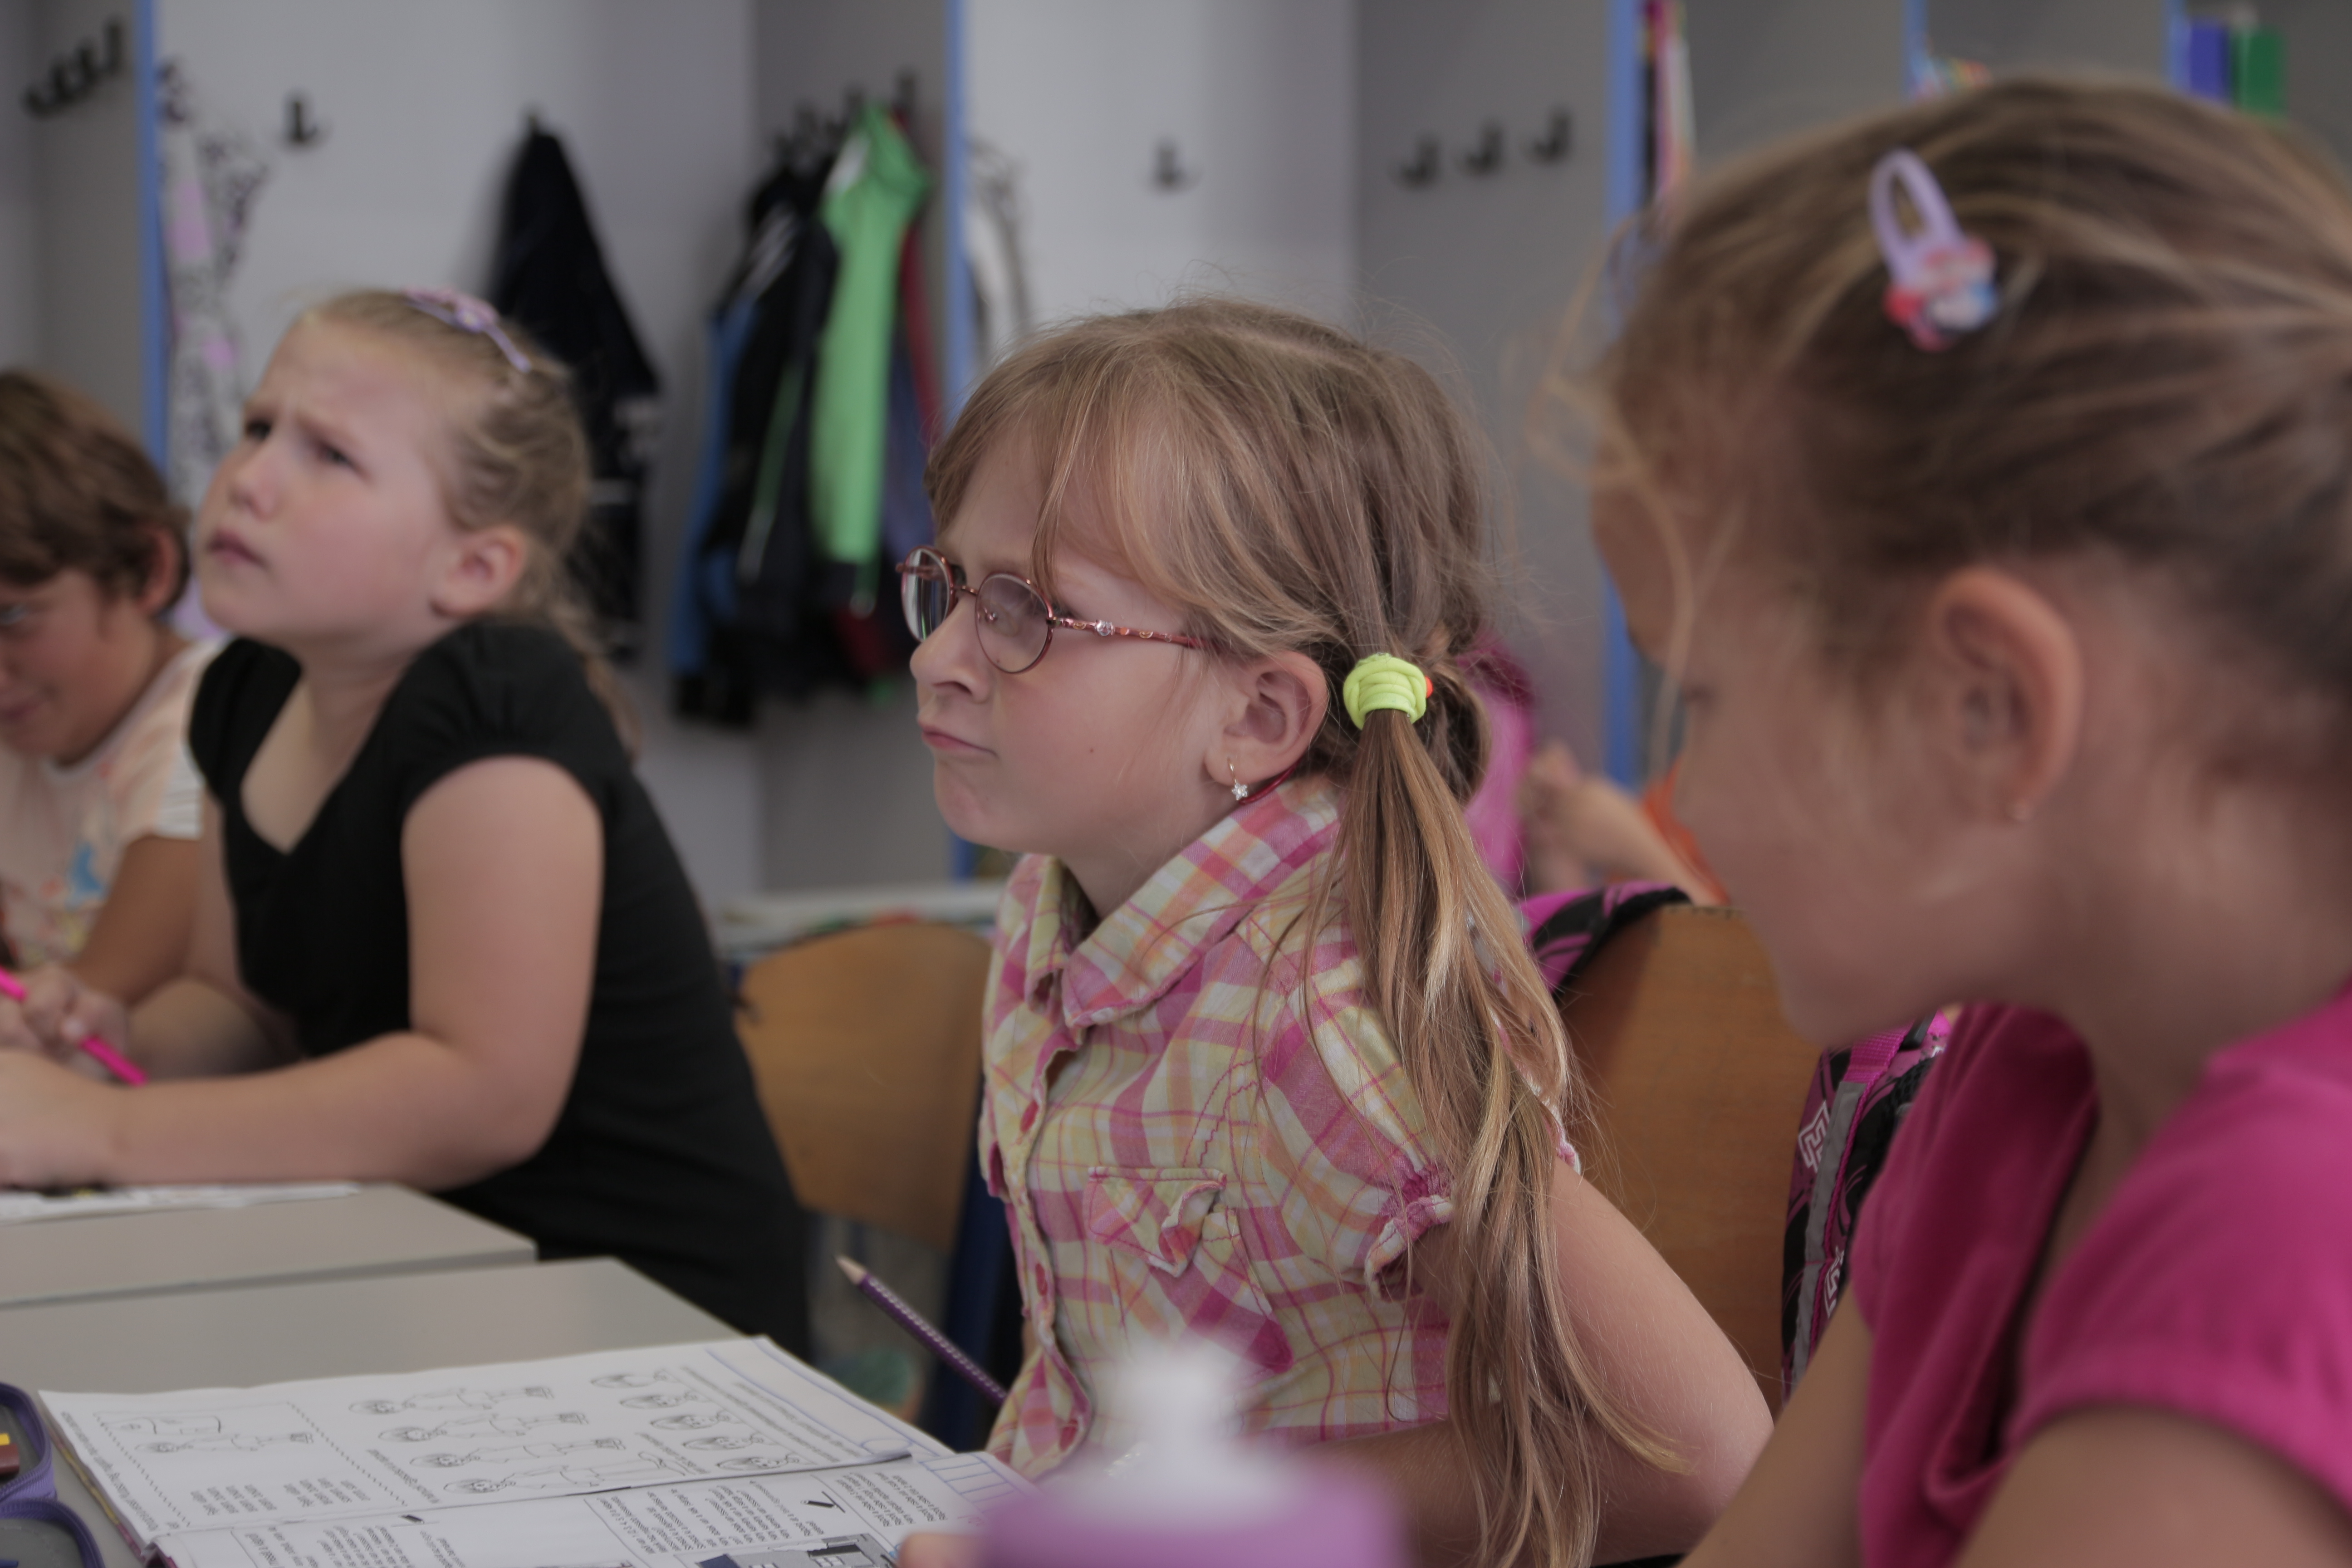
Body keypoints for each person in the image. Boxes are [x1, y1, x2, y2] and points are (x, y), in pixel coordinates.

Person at [1591, 80, 2352, 1568]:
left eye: (1704, 697)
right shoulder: (2028, 1071)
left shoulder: (2292, 1222)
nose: (1689, 797)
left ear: (1990, 704)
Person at [899, 299, 1770, 1568]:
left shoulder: (1325, 1011)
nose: (937, 658)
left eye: (1026, 610)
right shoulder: (1056, 890)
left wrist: (1176, 1514)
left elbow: (1692, 1452)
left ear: (1258, 717)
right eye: (948, 585)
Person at [0, 289, 809, 1352]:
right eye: (258, 428)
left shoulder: (497, 704)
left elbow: (482, 1093)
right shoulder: (243, 694)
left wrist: (104, 1128)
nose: (251, 479)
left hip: (642, 1313)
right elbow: (241, 1005)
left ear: (472, 568)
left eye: (329, 455)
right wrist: (120, 1046)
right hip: (424, 1267)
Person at [0, 372, 216, 1043]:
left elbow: (98, 1000)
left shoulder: (207, 721)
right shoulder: (24, 734)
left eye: (12, 616)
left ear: (148, 569)